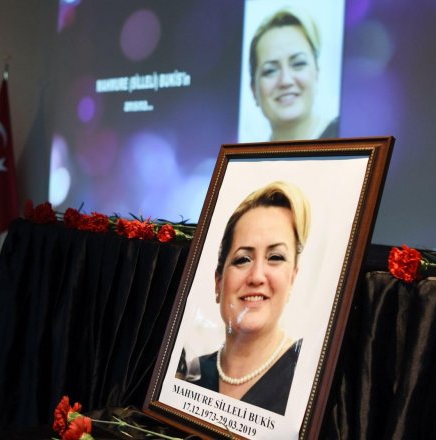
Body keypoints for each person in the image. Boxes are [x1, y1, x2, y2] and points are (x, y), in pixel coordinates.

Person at [185, 181, 310, 415]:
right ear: (218, 282)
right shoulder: (188, 374)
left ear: (292, 278)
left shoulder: (308, 379)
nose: (256, 276)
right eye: (242, 259)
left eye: (275, 257)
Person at [248, 7, 338, 141]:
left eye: (298, 64)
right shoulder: (240, 154)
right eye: (270, 71)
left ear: (317, 73)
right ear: (253, 90)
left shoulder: (351, 135)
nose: (285, 81)